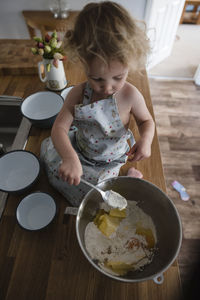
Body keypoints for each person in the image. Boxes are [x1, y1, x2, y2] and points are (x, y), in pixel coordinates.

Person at [40, 1, 155, 206]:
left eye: (118, 77)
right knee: (58, 173)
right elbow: (59, 128)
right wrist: (70, 158)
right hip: (81, 152)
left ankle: (130, 175)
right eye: (97, 79)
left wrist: (145, 140)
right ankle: (121, 176)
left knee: (104, 198)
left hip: (111, 160)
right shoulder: (78, 93)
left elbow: (146, 121)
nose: (108, 87)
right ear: (83, 64)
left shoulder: (130, 95)